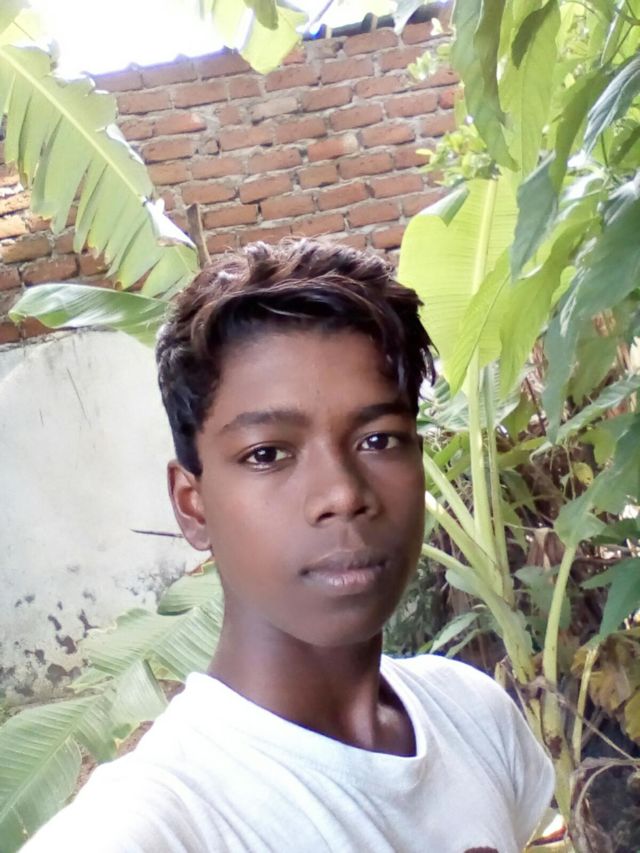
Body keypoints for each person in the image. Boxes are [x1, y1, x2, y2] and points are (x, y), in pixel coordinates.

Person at [23, 239, 554, 852]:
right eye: (267, 454)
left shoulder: (473, 717)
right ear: (193, 505)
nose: (342, 494)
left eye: (379, 440)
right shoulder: (153, 826)